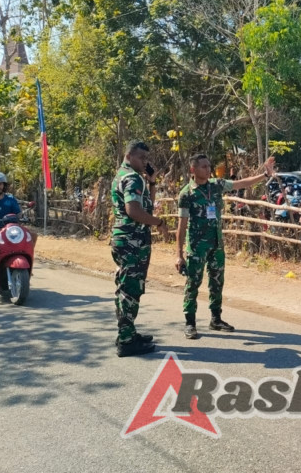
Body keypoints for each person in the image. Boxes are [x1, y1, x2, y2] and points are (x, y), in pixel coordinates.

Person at [176, 154, 275, 339]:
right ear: (193, 170)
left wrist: (264, 175)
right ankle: (190, 323)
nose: (208, 169)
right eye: (203, 166)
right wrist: (179, 254)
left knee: (217, 282)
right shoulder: (186, 194)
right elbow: (181, 226)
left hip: (217, 244)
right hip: (197, 247)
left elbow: (241, 183)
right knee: (192, 284)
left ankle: (216, 319)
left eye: (209, 166)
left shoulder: (216, 185)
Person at [111, 140, 167, 357]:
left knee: (126, 287)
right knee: (130, 289)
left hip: (126, 240)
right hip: (132, 241)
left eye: (147, 159)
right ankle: (126, 340)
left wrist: (152, 183)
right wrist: (159, 223)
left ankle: (128, 332)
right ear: (129, 156)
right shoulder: (132, 178)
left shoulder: (125, 176)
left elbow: (145, 207)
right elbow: (134, 211)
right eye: (141, 158)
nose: (145, 162)